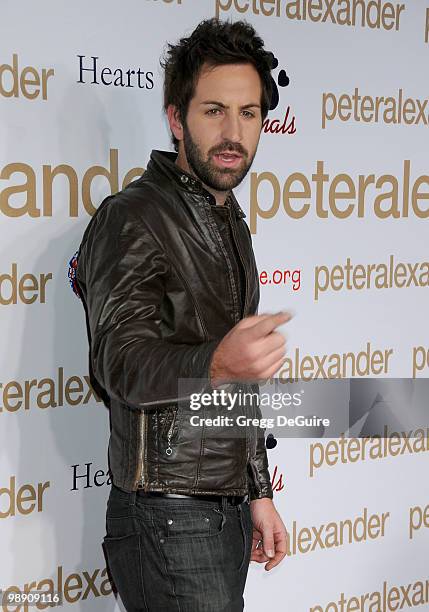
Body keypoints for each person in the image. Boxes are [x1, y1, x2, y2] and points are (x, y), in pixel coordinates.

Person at [72, 18, 291, 612]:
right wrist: (217, 361)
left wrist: (258, 494)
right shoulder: (134, 216)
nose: (233, 132)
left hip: (220, 511)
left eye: (248, 114)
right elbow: (118, 364)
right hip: (165, 513)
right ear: (176, 118)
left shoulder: (229, 222)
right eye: (214, 110)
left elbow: (237, 388)